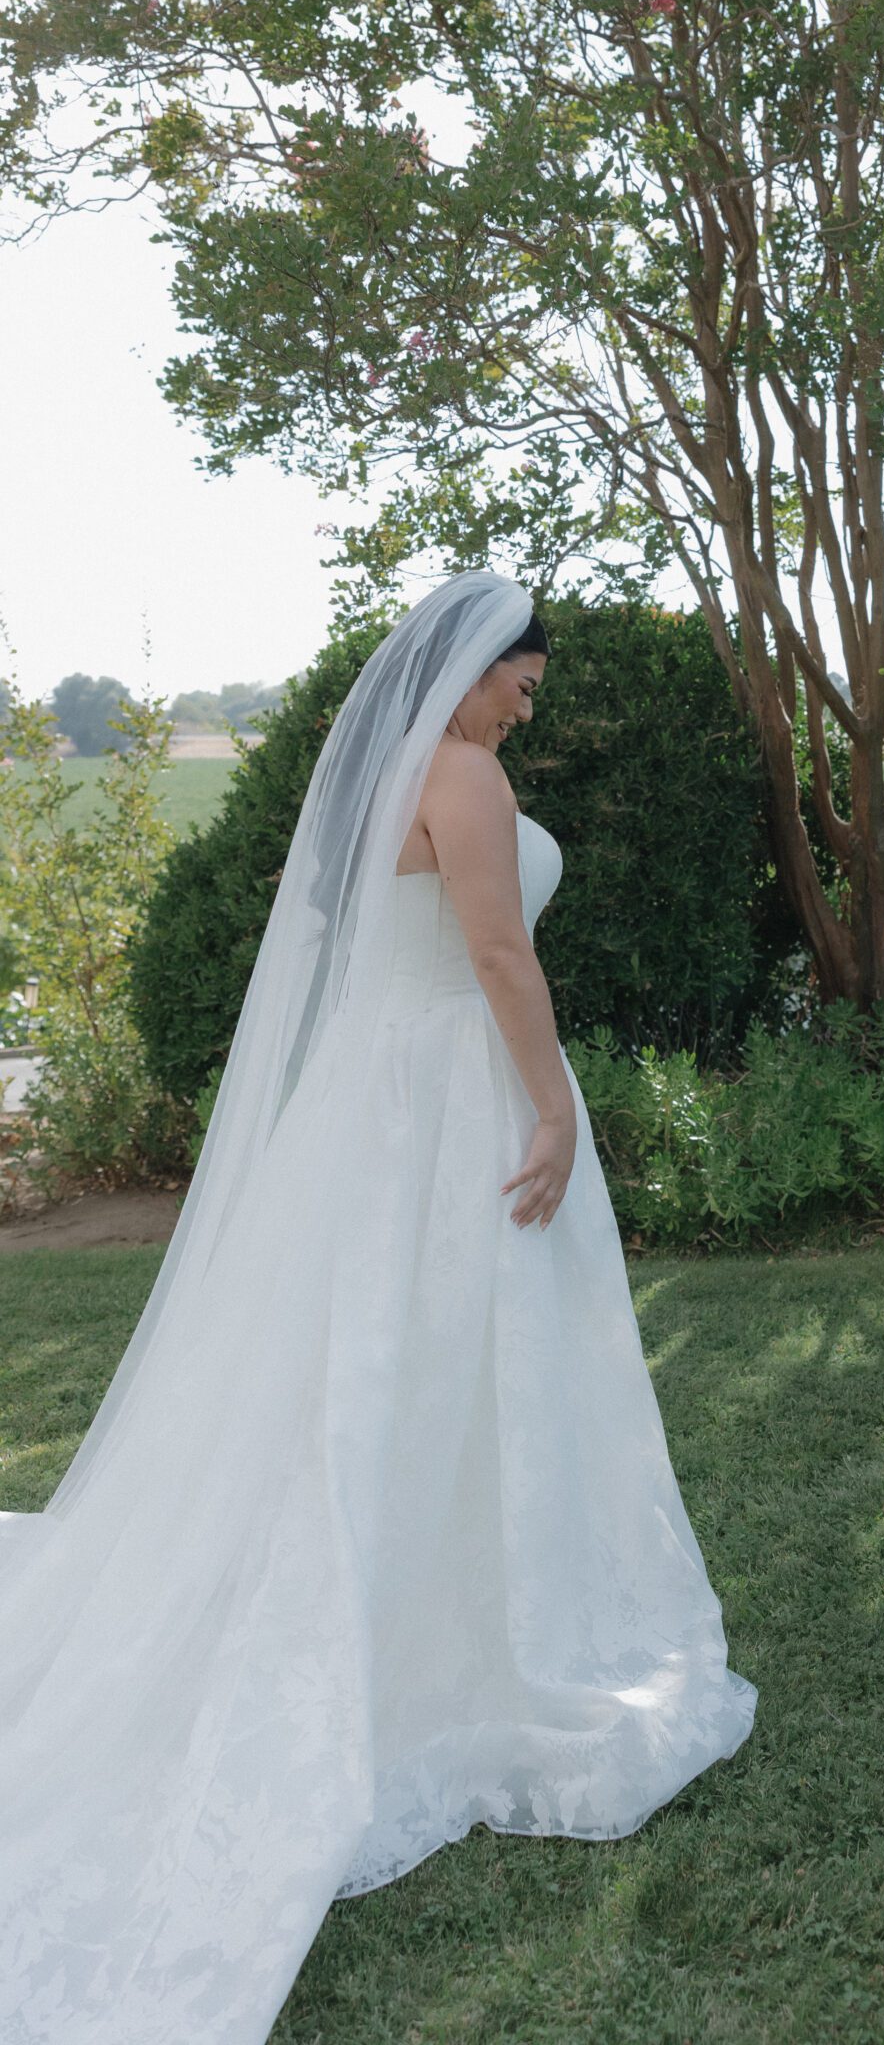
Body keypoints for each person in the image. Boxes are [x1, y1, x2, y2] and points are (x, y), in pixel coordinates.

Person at [0, 573, 755, 2045]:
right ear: (470, 669)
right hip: (442, 1099)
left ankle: (433, 1576)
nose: (520, 709)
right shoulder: (459, 771)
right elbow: (492, 954)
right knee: (423, 1357)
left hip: (380, 1099)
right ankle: (444, 1635)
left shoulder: (414, 771)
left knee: (377, 1365)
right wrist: (554, 1110)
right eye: (518, 684)